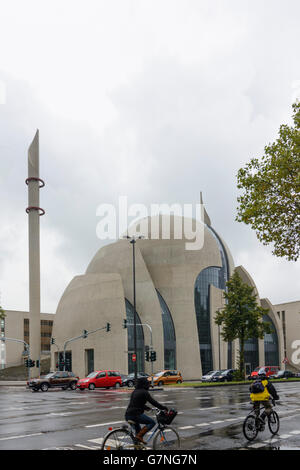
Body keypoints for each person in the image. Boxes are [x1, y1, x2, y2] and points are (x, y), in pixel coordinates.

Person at [125, 376, 168, 444]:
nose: (149, 387)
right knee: (152, 422)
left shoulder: (135, 391)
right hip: (135, 415)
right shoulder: (144, 392)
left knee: (138, 433)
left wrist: (147, 408)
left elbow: (137, 403)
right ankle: (139, 437)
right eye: (148, 384)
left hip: (128, 415)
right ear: (144, 384)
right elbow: (153, 402)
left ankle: (137, 446)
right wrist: (163, 408)